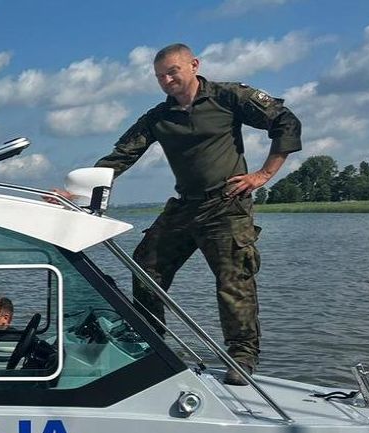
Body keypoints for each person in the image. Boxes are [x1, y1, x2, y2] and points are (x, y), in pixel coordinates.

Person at [87, 43, 301, 385]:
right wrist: (77, 189)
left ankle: (242, 356)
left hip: (227, 204)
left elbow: (285, 121)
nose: (167, 80)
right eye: (160, 76)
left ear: (194, 65)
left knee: (233, 280)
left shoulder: (228, 97)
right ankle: (152, 343)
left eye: (172, 72)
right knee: (145, 266)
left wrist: (263, 175)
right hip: (185, 205)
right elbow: (121, 156)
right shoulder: (159, 117)